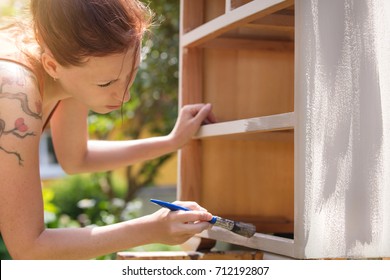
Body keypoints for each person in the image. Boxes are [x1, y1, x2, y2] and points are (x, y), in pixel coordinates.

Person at [0, 0, 216, 259]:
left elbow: (76, 158)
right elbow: (28, 249)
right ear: (52, 65)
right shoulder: (13, 91)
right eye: (107, 83)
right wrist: (151, 229)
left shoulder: (66, 65)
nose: (124, 96)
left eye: (131, 72)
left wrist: (171, 141)